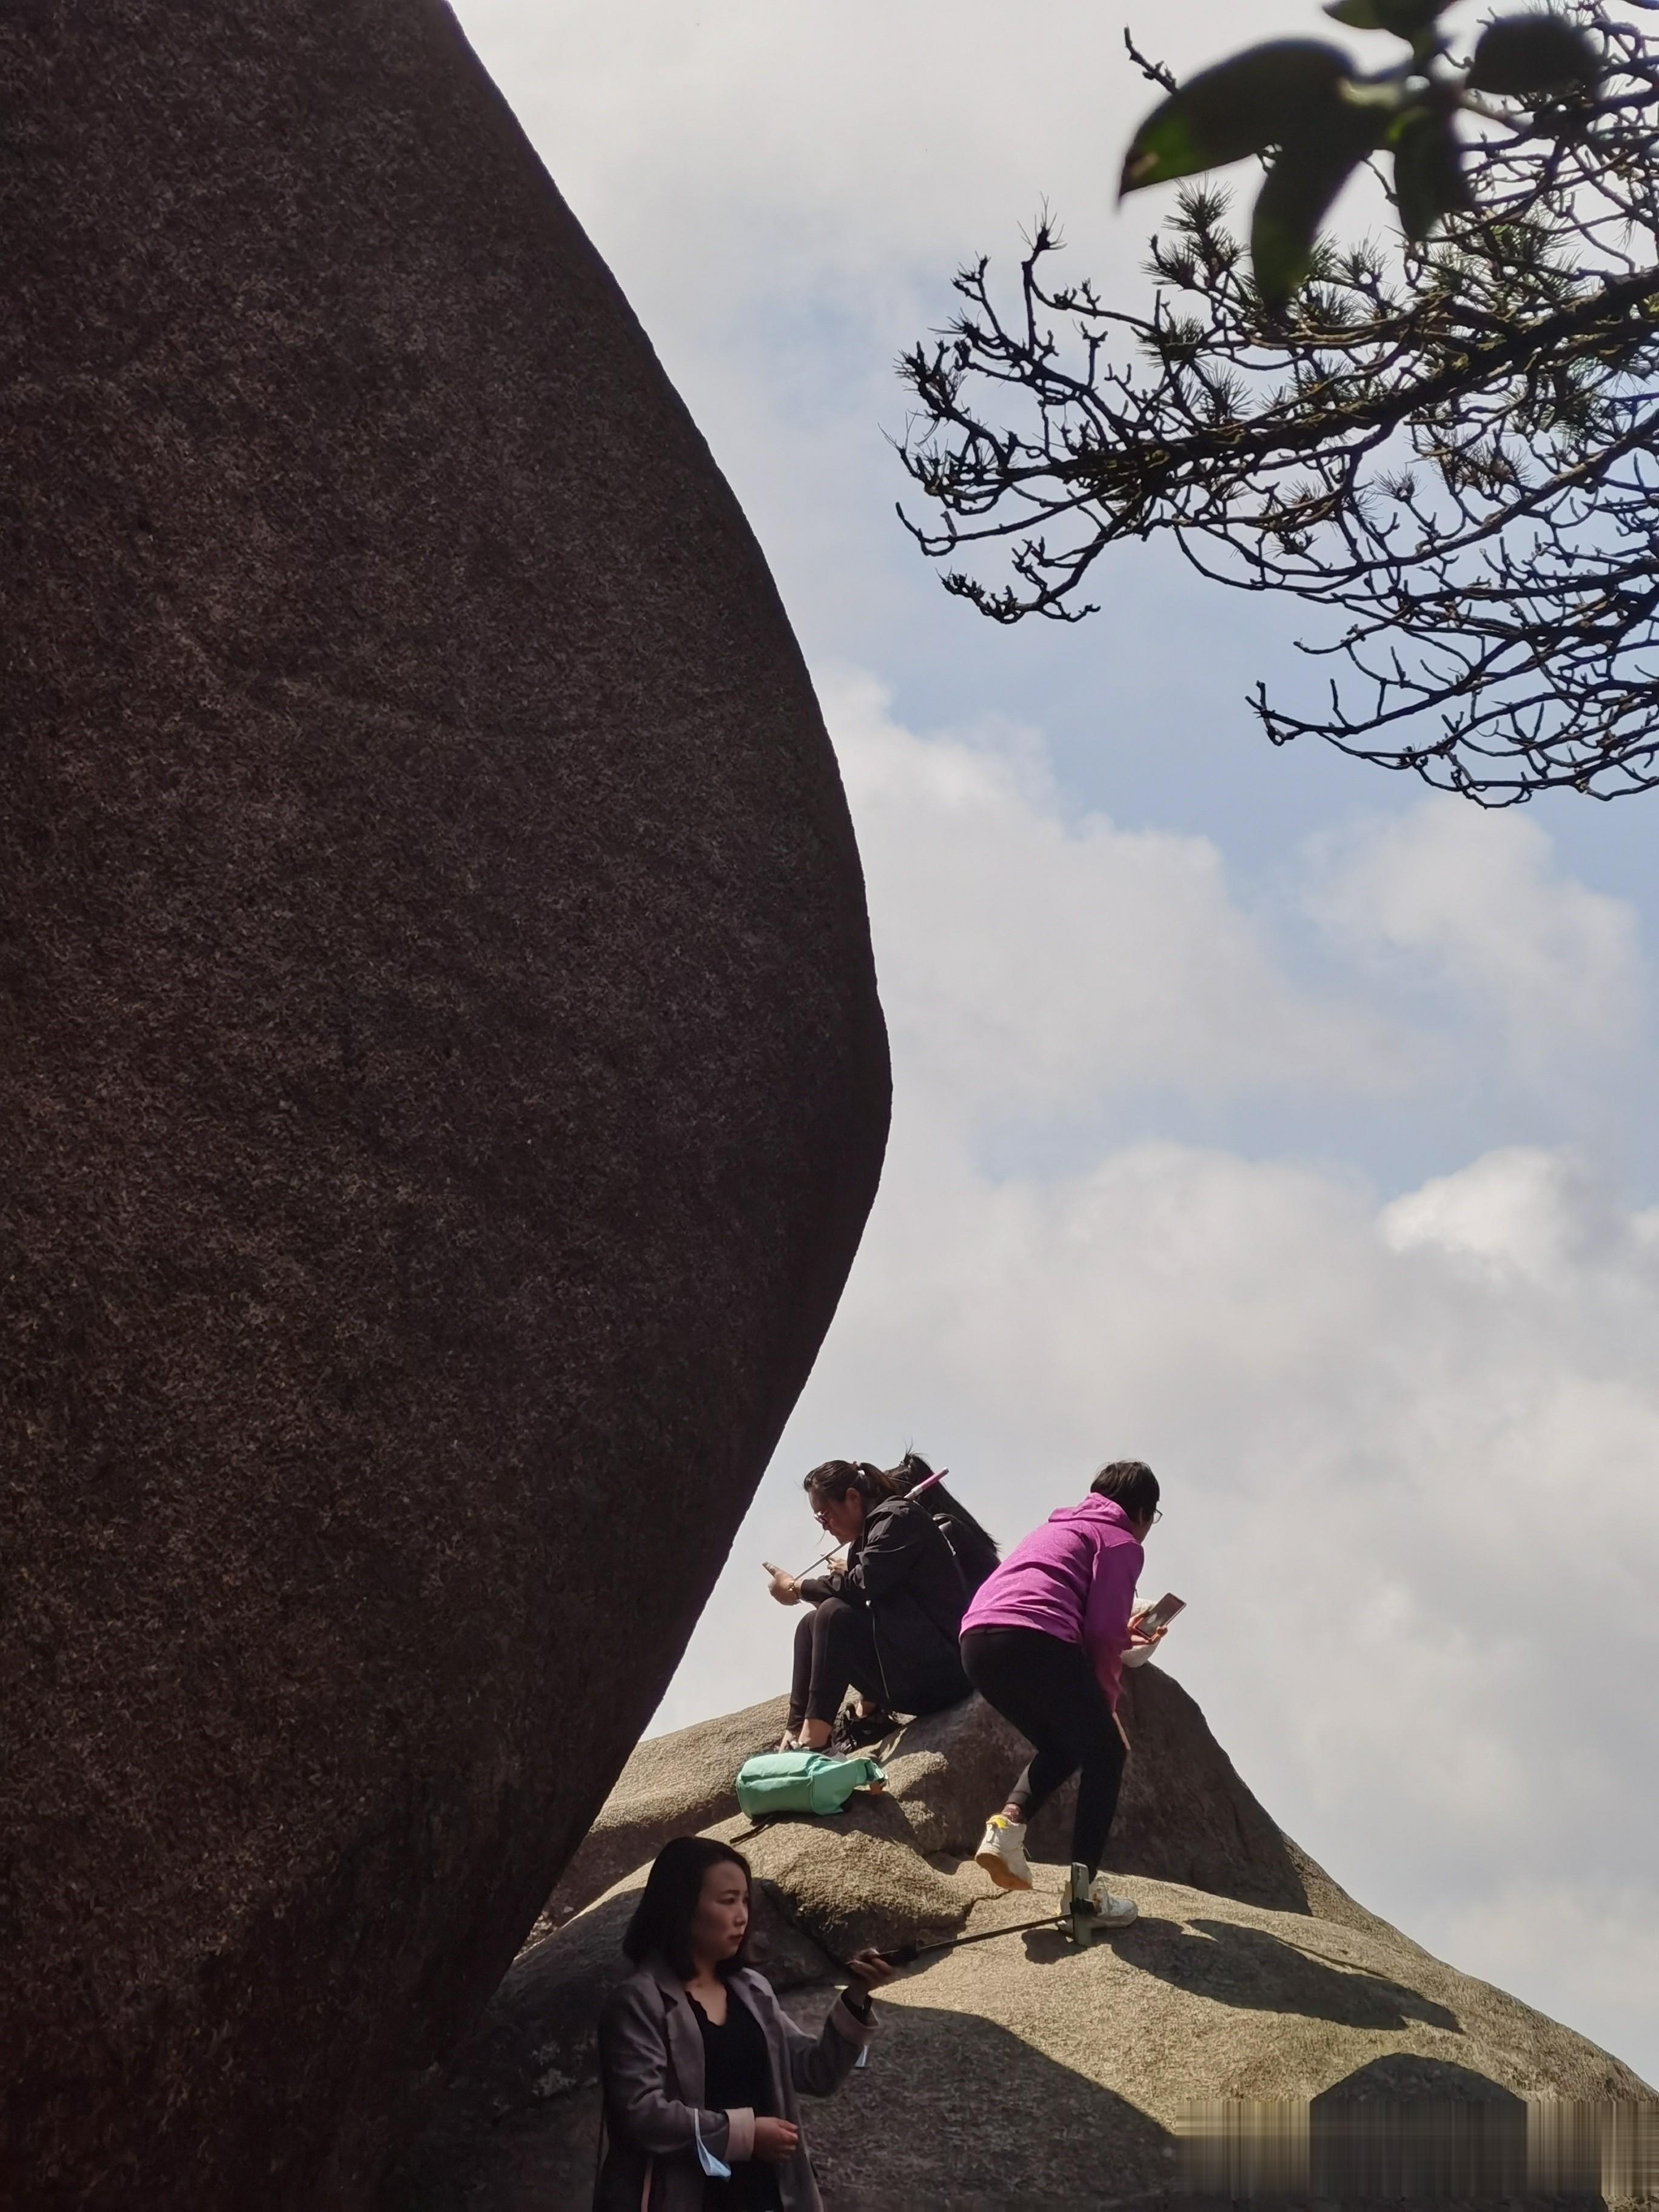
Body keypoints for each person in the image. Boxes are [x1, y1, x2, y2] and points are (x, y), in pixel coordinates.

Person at [595, 1835, 890, 2210]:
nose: (741, 1916)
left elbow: (816, 2072)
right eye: (727, 1901)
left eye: (745, 1901)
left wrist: (857, 1995)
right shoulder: (640, 2002)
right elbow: (641, 2114)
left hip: (765, 2196)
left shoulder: (752, 1991)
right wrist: (744, 2136)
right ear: (681, 1907)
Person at [958, 1458, 1167, 1930]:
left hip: (978, 1642)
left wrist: (1121, 1635)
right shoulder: (1121, 1541)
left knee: (1063, 1745)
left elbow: (1068, 1605)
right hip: (1036, 1638)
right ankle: (1082, 1898)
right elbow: (1101, 1634)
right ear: (1142, 1513)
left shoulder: (1056, 1529)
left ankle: (1006, 1831)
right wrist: (1105, 1707)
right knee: (1106, 1754)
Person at [763, 1458, 982, 1751]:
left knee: (833, 1614)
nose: (826, 1527)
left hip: (944, 1675)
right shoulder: (867, 1536)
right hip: (915, 1671)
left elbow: (859, 1585)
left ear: (853, 1497)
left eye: (825, 1516)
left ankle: (814, 1745)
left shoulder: (899, 1519)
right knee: (810, 1624)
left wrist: (798, 1587)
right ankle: (794, 1734)